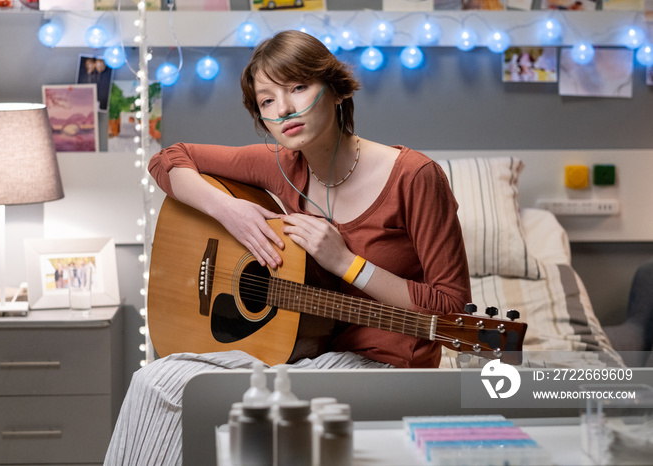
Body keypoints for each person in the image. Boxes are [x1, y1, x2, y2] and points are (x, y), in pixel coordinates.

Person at [104, 30, 471, 465]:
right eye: (267, 101)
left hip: (386, 366)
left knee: (168, 386)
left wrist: (347, 264)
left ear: (335, 90)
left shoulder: (415, 176)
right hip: (302, 352)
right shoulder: (280, 164)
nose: (285, 110)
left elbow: (452, 309)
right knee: (155, 379)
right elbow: (168, 159)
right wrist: (229, 210)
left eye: (298, 87)